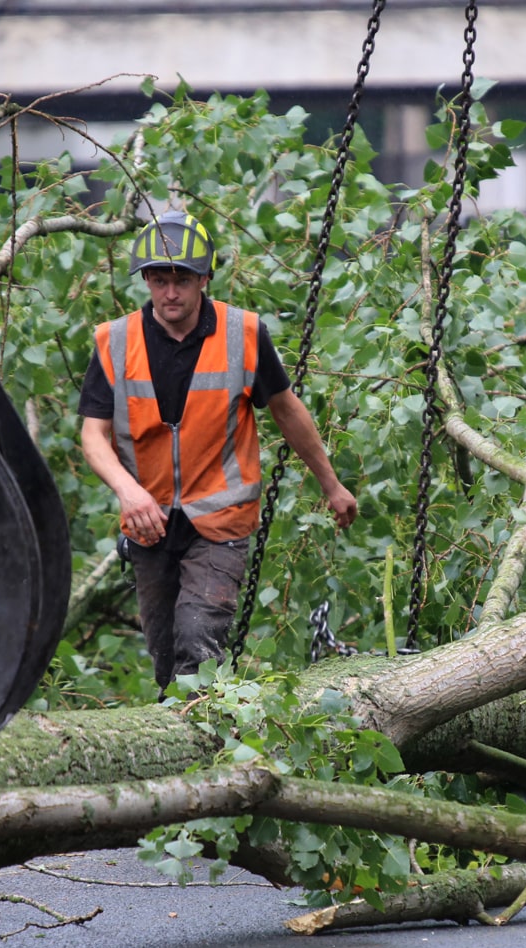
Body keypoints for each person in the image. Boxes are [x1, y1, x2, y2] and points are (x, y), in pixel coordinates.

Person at [78, 210, 358, 695]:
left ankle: (199, 730)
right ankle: (182, 745)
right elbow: (92, 436)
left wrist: (330, 484)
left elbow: (287, 412)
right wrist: (128, 492)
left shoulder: (244, 334)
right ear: (146, 279)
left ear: (204, 278)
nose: (170, 293)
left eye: (181, 280)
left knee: (197, 641)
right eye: (160, 279)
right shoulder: (113, 342)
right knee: (165, 654)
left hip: (221, 519)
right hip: (150, 523)